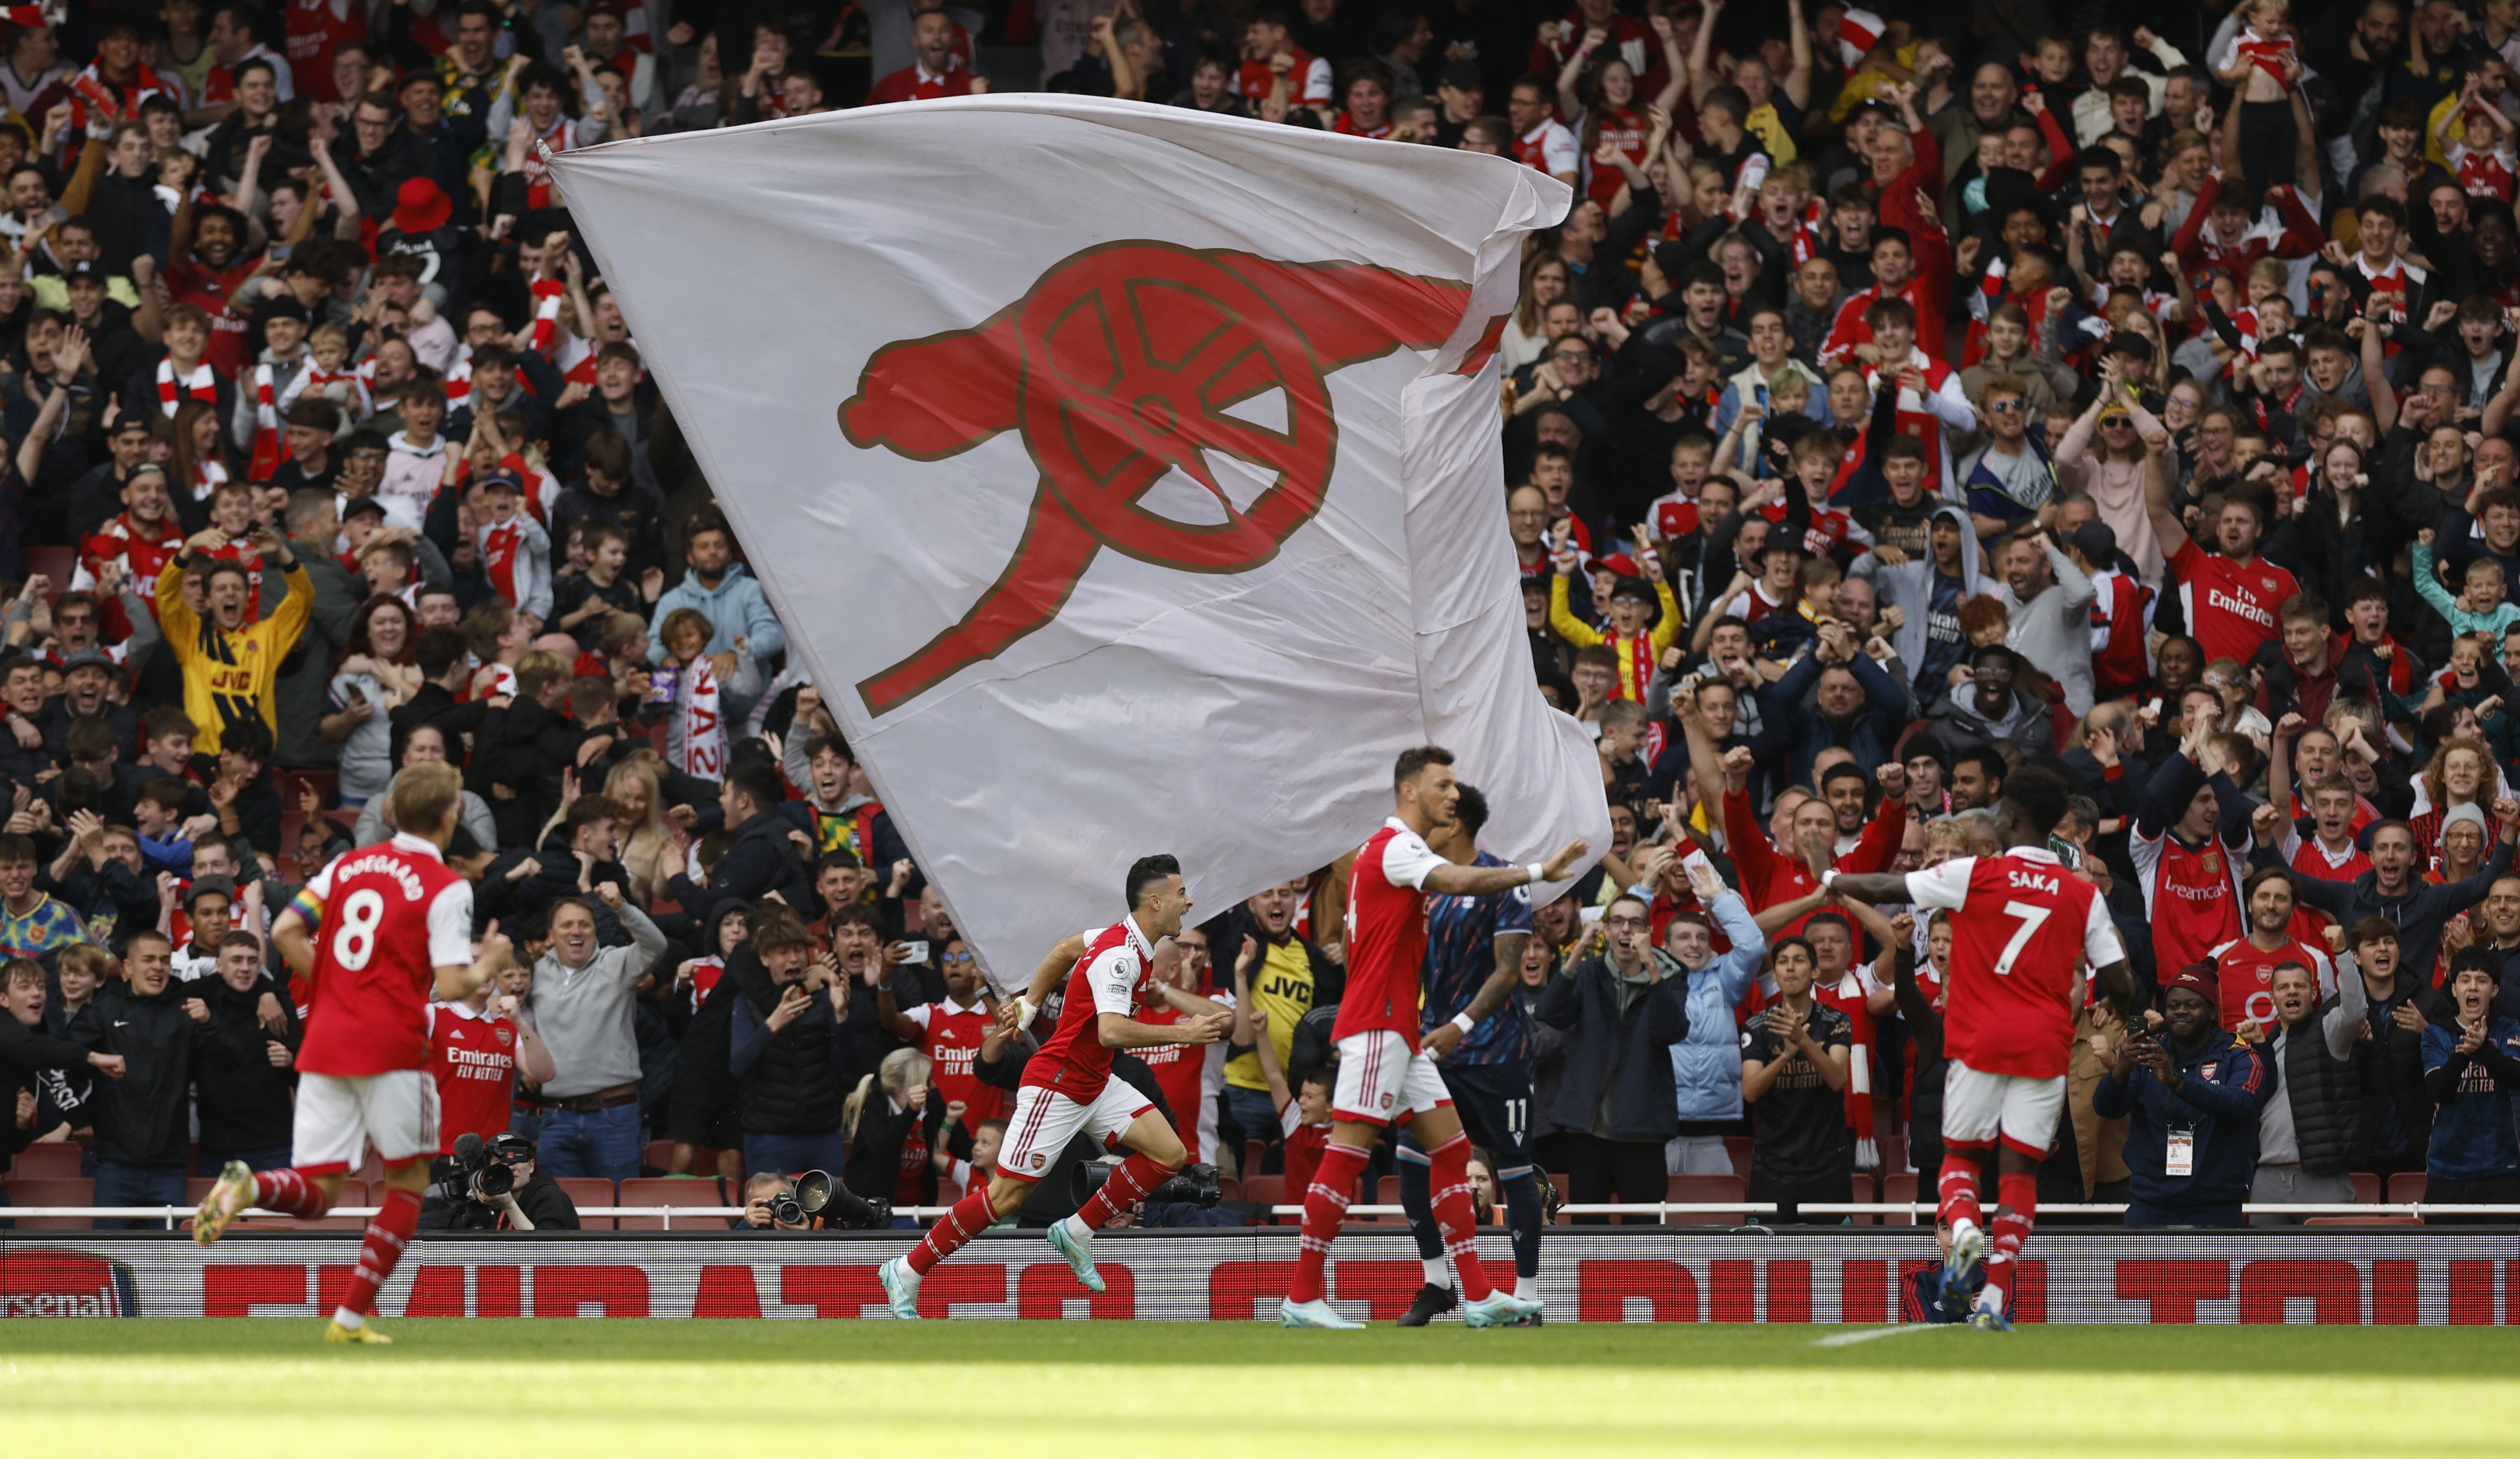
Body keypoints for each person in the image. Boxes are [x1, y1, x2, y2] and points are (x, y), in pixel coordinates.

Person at [194, 762, 515, 1344]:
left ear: (391, 812)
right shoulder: (446, 884)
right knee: (409, 1184)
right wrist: (493, 961)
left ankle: (248, 1187)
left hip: (327, 1040)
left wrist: (337, 990)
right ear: (452, 817)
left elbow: (288, 931)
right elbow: (449, 982)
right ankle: (348, 1319)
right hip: (393, 1044)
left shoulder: (347, 863)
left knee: (318, 1193)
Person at [1816, 763, 2134, 1329]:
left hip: (1980, 1036)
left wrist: (1833, 878)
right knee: (2019, 1173)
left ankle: (1963, 1232)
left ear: (2010, 817)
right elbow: (2121, 977)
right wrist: (2123, 1013)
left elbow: (1890, 887)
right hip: (2044, 1043)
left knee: (1961, 1157)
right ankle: (1994, 1294)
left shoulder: (1976, 873)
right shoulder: (2080, 893)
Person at [1275, 746, 1581, 1329]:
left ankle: (1480, 1293)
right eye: (1443, 784)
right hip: (1377, 1025)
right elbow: (1457, 878)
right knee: (1346, 1155)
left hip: (1400, 1030)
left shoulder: (1384, 849)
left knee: (1451, 1150)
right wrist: (1538, 871)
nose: (1453, 794)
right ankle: (1302, 1295)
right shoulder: (1398, 847)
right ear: (1410, 790)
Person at [878, 854, 1231, 1318]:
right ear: (1154, 901)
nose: (1189, 901)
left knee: (1170, 1155)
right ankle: (906, 1269)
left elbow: (1065, 947)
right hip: (1058, 1085)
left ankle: (1077, 1230)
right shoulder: (1122, 958)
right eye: (1181, 893)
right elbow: (1111, 1031)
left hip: (1095, 1080)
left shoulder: (1120, 938)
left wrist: (1031, 1004)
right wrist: (1182, 1033)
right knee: (1005, 1197)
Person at [1392, 783, 1543, 1327]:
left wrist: (1461, 1023)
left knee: (1516, 1170)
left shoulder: (1506, 883)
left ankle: (1525, 1295)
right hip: (1434, 1048)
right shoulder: (1423, 884)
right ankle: (1437, 1281)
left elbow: (1509, 971)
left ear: (1454, 821)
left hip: (1497, 1051)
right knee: (1411, 1161)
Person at [2091, 965, 2274, 1228]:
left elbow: (2244, 1103)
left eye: (2192, 1005)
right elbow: (2105, 1107)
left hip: (2216, 1208)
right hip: (2150, 1205)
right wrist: (2122, 1068)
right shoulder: (2149, 1051)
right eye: (2173, 1006)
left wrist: (2176, 1082)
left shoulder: (2240, 1054)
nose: (2181, 1012)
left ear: (2212, 1012)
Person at [527, 884, 666, 1182]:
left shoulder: (617, 963)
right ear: (551, 935)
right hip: (556, 1116)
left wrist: (622, 907)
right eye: (566, 925)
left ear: (595, 932)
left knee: (617, 1215)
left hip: (614, 1115)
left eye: (584, 924)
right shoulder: (534, 974)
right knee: (561, 1215)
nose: (576, 930)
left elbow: (657, 946)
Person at [2244, 948, 2369, 1223]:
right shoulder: (2262, 1046)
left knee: (2333, 1267)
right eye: (2283, 987)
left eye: (2300, 986)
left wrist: (2342, 953)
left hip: (2323, 1179)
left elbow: (2356, 1009)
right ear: (2272, 998)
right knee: (2263, 1267)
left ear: (2313, 994)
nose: (2291, 992)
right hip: (2268, 1180)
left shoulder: (2330, 1032)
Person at [2420, 946, 2520, 1213]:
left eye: (2482, 980)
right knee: (2438, 1255)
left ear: (2495, 991)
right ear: (2454, 990)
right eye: (2465, 980)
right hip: (2447, 1170)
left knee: (2503, 1255)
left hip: (2503, 1169)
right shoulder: (2435, 1034)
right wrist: (2464, 1053)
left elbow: (2515, 1076)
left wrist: (2484, 1048)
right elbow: (2437, 1089)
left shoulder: (2511, 1028)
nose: (2472, 987)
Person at [416, 1132, 581, 1231]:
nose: (510, 1168)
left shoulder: (550, 1196)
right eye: (499, 1163)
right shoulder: (490, 1200)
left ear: (531, 1166)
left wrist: (509, 1205)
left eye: (516, 1160)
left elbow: (548, 1253)